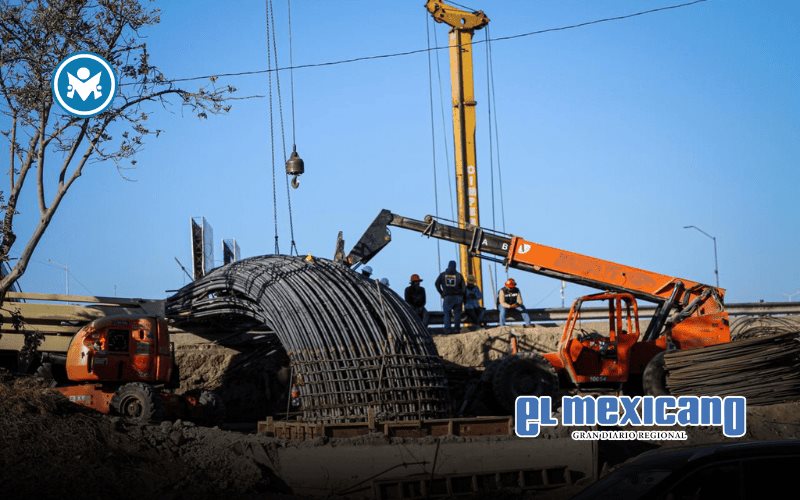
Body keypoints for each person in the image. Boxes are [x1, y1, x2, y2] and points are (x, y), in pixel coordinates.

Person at [435, 260, 465, 334]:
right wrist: (461, 295)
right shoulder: (459, 275)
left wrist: (441, 293)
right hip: (458, 297)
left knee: (447, 314)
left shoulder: (442, 275)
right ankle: (456, 329)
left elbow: (436, 283)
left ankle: (447, 330)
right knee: (457, 314)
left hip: (447, 297)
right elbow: (464, 287)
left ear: (448, 265)